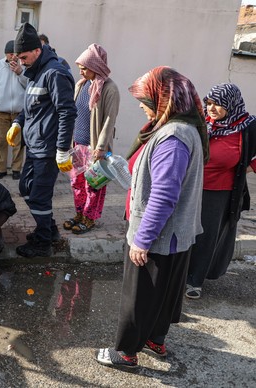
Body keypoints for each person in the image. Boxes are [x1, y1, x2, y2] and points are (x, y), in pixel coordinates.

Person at [95, 66, 208, 369]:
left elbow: (164, 195)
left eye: (146, 102)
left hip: (159, 235)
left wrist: (142, 240)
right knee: (163, 294)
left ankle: (126, 353)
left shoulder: (172, 137)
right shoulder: (185, 129)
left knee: (139, 298)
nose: (143, 108)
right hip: (175, 235)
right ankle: (155, 341)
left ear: (165, 99)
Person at [6, 22, 77, 258]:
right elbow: (31, 107)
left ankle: (43, 243)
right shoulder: (36, 73)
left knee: (39, 195)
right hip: (34, 146)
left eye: (24, 57)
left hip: (48, 149)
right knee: (26, 187)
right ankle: (49, 228)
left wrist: (62, 149)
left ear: (37, 50)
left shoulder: (54, 73)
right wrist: (18, 122)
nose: (22, 62)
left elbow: (67, 111)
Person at [186, 83, 256, 299]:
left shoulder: (247, 127)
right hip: (190, 186)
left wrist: (242, 167)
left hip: (219, 192)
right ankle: (178, 274)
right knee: (184, 231)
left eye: (219, 104)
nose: (212, 108)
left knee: (206, 236)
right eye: (209, 103)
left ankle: (194, 280)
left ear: (231, 105)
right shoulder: (203, 123)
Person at [65, 44, 120, 234]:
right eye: (79, 66)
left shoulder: (109, 89)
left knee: (94, 185)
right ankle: (80, 213)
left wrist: (101, 148)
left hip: (96, 148)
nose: (80, 71)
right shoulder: (81, 85)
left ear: (96, 66)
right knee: (77, 183)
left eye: (84, 67)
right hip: (78, 145)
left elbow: (109, 120)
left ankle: (90, 218)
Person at [0, 40, 27, 181]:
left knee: (18, 143)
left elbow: (29, 85)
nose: (13, 57)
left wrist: (19, 72)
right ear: (6, 54)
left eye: (15, 54)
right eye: (10, 54)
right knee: (0, 142)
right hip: (0, 112)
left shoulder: (24, 66)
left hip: (19, 113)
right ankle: (1, 169)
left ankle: (16, 169)